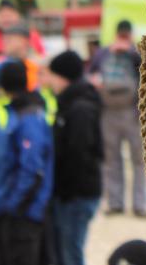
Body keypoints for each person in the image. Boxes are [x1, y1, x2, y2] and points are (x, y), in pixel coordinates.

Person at [0, 60, 54, 265]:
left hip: (21, 216)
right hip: (11, 211)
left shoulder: (28, 117)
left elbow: (32, 169)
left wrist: (13, 206)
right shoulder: (21, 112)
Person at [45, 50, 103, 265]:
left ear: (62, 76)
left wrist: (66, 192)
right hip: (69, 195)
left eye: (52, 75)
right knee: (63, 253)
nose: (49, 81)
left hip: (76, 196)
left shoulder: (80, 108)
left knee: (71, 254)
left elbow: (79, 155)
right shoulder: (69, 103)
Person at [88, 19, 146, 217]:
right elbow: (91, 73)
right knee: (111, 159)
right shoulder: (104, 53)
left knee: (138, 160)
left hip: (133, 111)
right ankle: (115, 203)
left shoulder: (137, 53)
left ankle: (139, 204)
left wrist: (130, 51)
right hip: (108, 112)